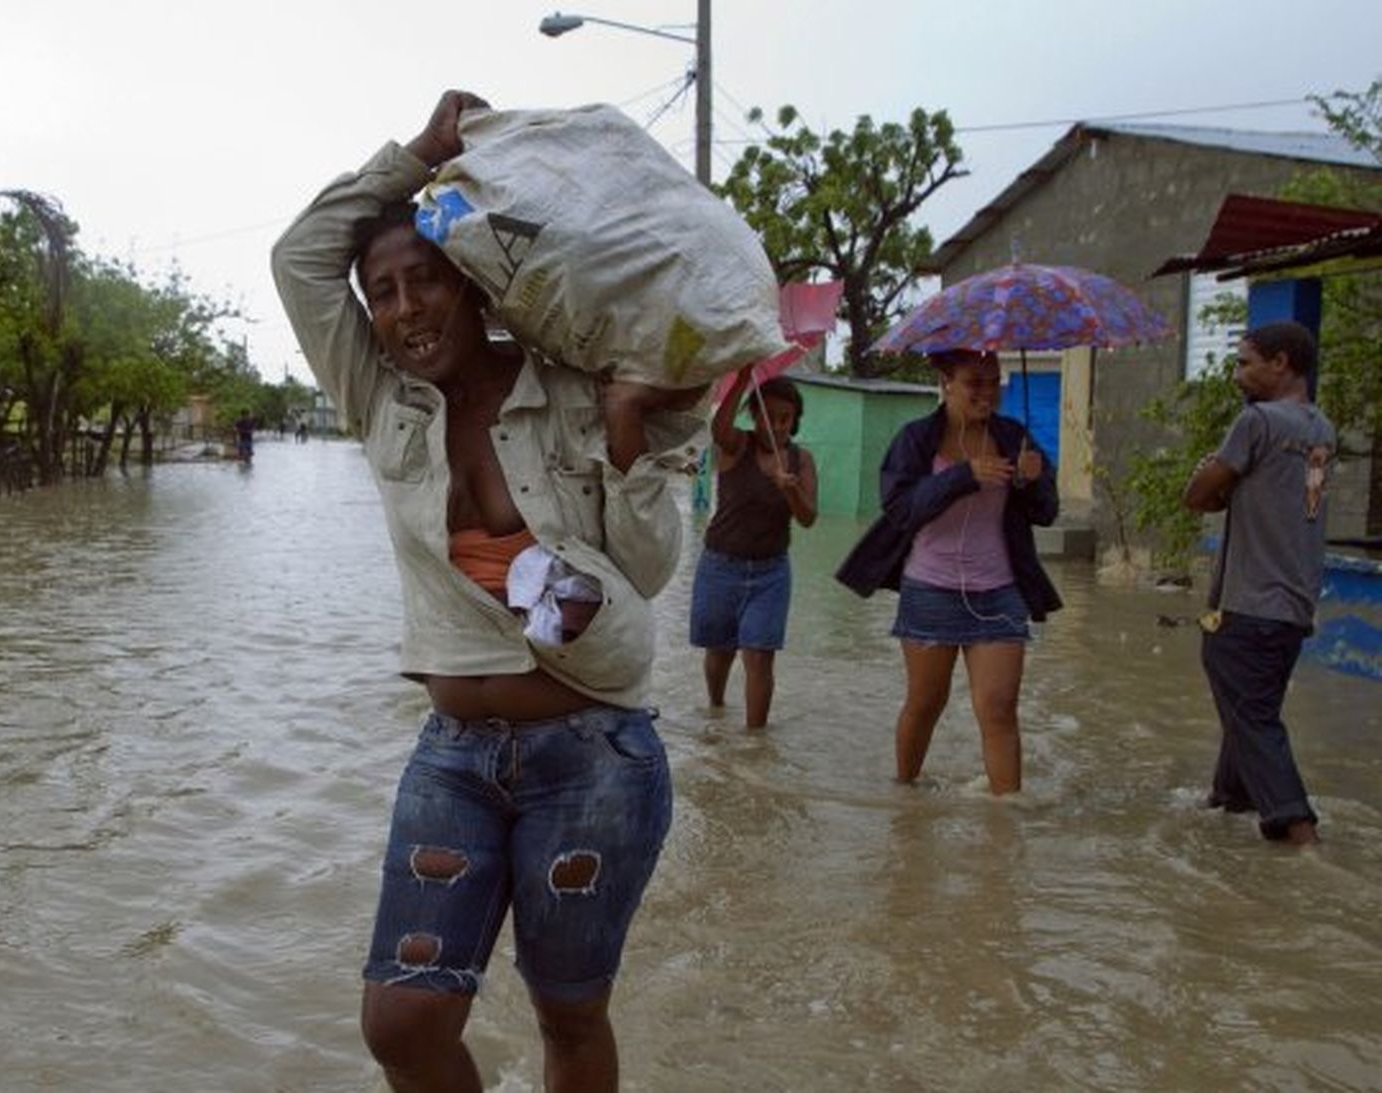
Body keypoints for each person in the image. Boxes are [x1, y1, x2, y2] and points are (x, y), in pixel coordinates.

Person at [271, 90, 706, 1092]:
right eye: (380, 292)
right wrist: (413, 154)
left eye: (422, 279)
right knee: (402, 1020)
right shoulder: (381, 401)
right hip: (453, 754)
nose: (401, 308)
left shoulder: (567, 390)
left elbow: (640, 569)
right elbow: (299, 257)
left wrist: (631, 436)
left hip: (592, 753)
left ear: (468, 286)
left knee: (568, 1014)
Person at [836, 349, 1061, 794]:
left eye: (994, 381)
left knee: (999, 708)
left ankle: (1006, 822)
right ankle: (905, 795)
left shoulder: (1014, 436)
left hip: (1000, 590)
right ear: (947, 383)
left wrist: (1036, 481)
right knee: (925, 703)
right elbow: (900, 508)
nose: (987, 391)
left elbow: (1046, 513)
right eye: (975, 382)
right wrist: (964, 476)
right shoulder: (916, 439)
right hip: (930, 589)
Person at [1182, 321, 1334, 846]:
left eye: (1245, 362)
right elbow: (1297, 506)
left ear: (1281, 363)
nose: (1236, 374)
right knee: (1249, 712)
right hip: (1293, 607)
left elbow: (1198, 497)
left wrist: (1209, 473)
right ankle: (1228, 801)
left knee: (1253, 718)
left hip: (1246, 605)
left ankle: (1299, 831)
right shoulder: (1321, 431)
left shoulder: (1257, 422)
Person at [689, 370, 818, 728]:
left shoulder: (800, 460)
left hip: (771, 573)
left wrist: (789, 488)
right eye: (768, 416)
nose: (775, 425)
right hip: (720, 565)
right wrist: (744, 374)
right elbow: (717, 428)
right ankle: (715, 712)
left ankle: (754, 743)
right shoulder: (737, 445)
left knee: (760, 657)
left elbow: (808, 518)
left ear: (794, 422)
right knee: (719, 651)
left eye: (784, 418)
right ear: (754, 415)